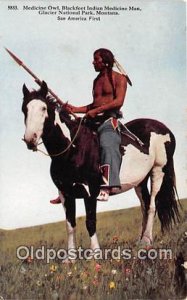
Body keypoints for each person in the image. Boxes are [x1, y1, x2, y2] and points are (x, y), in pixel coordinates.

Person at [50, 48, 130, 203]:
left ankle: (106, 187)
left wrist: (97, 111)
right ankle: (66, 186)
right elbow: (93, 105)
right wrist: (74, 109)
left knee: (108, 144)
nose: (93, 62)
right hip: (92, 121)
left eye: (96, 59)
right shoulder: (96, 81)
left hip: (108, 122)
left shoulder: (120, 79)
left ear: (105, 61)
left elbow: (118, 102)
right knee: (71, 141)